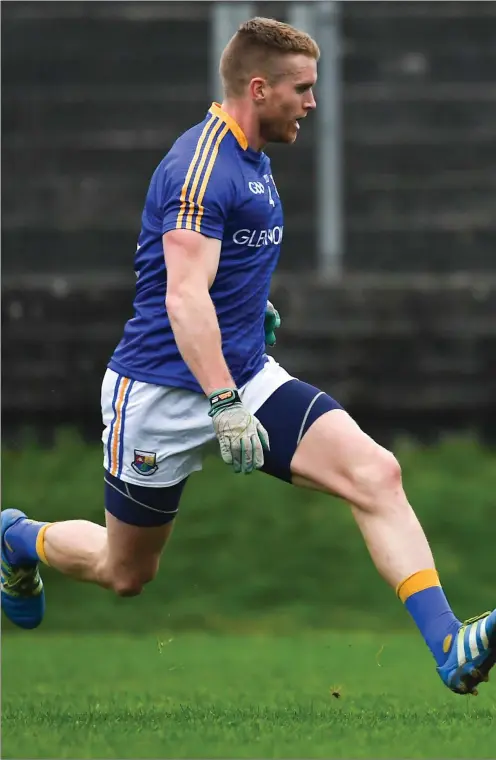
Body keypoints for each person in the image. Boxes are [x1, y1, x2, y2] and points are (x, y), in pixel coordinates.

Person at [2, 17, 494, 695]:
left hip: (244, 377)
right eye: (302, 88)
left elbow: (214, 275)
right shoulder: (201, 166)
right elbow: (182, 298)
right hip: (160, 393)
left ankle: (449, 645)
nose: (313, 103)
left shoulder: (254, 159)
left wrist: (247, 317)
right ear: (259, 89)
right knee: (126, 573)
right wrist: (224, 403)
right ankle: (19, 538)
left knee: (376, 474)